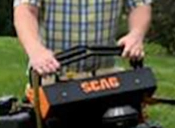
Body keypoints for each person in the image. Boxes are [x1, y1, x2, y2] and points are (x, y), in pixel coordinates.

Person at [13, 0, 152, 75]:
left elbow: (140, 6)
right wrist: (35, 50)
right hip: (52, 76)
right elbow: (25, 10)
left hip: (105, 75)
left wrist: (136, 34)